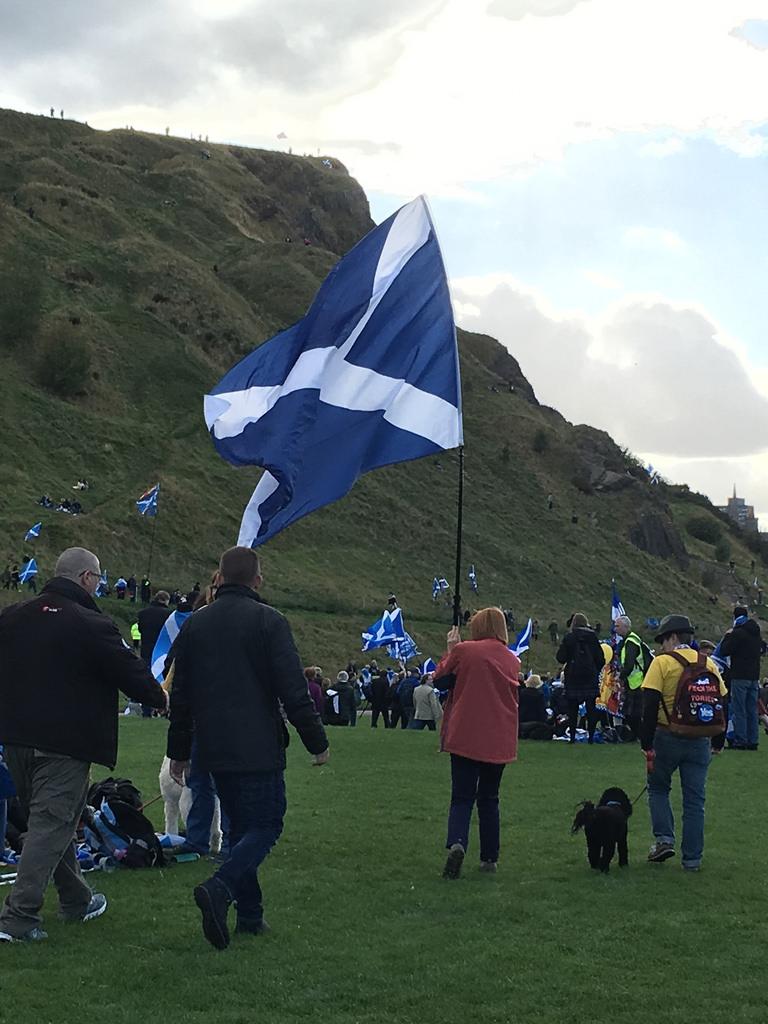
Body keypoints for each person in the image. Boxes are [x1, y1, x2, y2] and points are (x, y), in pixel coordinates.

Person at [0, 547, 167, 942]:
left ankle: (77, 898)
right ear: (87, 579)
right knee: (50, 824)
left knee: (55, 821)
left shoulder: (11, 616)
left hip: (15, 740)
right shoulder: (91, 623)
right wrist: (160, 698)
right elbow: (130, 672)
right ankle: (18, 918)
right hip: (66, 743)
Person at [167, 546, 329, 949]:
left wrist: (180, 750)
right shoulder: (269, 621)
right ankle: (220, 887)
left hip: (212, 744)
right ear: (257, 580)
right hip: (257, 743)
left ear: (219, 578)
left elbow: (181, 696)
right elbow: (293, 689)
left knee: (241, 828)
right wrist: (316, 741)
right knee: (267, 824)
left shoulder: (195, 625)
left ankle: (251, 916)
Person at [433, 609, 520, 879]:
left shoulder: (466, 650)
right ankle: (489, 857)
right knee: (490, 798)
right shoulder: (512, 659)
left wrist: (450, 649)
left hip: (467, 734)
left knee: (462, 796)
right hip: (499, 738)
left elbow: (441, 679)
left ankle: (458, 842)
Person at [640, 614, 727, 870]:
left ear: (673, 637)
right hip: (700, 739)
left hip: (667, 734)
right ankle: (692, 859)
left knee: (658, 789)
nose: (662, 646)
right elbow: (721, 702)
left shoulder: (662, 663)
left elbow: (649, 704)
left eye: (663, 640)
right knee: (694, 801)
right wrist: (718, 741)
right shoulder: (708, 664)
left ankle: (664, 839)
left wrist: (646, 742)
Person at [718, 605, 763, 751]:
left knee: (739, 708)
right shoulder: (756, 633)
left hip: (739, 675)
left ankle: (741, 740)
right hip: (754, 676)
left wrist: (727, 635)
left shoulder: (738, 633)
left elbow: (724, 650)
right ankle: (753, 740)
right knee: (752, 709)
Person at [556, 613, 603, 742]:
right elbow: (601, 658)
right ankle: (591, 737)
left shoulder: (569, 637)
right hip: (590, 677)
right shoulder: (593, 637)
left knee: (572, 709)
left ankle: (572, 737)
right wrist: (594, 670)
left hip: (573, 676)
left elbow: (560, 657)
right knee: (591, 708)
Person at [138, 590, 172, 717]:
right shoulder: (168, 614)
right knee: (164, 680)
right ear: (166, 600)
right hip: (162, 652)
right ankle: (164, 708)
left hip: (146, 650)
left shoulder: (143, 613)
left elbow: (141, 629)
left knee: (146, 681)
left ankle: (146, 710)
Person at [615, 615, 648, 739]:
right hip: (633, 681)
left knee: (633, 714)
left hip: (636, 682)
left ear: (625, 627)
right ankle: (638, 736)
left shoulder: (631, 642)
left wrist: (621, 677)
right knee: (632, 713)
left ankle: (641, 736)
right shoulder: (629, 640)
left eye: (617, 626)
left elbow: (629, 664)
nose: (615, 629)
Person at [518, 675, 553, 739]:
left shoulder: (521, 693)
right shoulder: (539, 695)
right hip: (535, 721)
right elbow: (541, 710)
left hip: (521, 720)